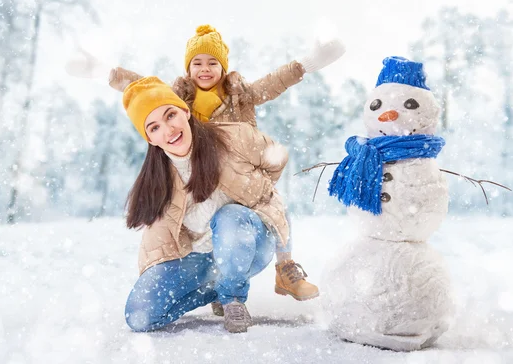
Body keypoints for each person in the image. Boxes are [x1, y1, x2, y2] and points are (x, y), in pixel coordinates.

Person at [110, 24, 345, 301]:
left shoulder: (239, 93)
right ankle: (219, 281)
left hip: (242, 165)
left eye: (212, 62)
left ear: (223, 68)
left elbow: (273, 83)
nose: (205, 69)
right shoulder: (180, 98)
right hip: (204, 172)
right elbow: (147, 90)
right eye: (197, 63)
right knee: (208, 223)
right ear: (188, 69)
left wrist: (306, 63)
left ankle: (285, 267)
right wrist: (112, 76)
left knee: (272, 202)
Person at [123, 76, 292, 333]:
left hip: (250, 241)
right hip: (205, 256)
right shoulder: (158, 179)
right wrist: (156, 280)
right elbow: (159, 238)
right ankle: (217, 285)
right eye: (154, 127)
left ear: (185, 111)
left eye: (170, 115)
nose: (168, 131)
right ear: (149, 139)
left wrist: (260, 195)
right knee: (139, 316)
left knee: (230, 215)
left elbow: (277, 157)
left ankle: (232, 297)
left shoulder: (234, 137)